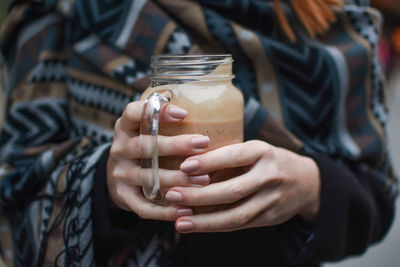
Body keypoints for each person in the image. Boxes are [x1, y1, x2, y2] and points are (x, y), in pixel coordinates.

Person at [0, 0, 397, 266]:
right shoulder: (68, 11)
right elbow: (13, 194)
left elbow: (377, 196)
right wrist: (100, 181)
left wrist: (311, 187)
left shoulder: (334, 13)